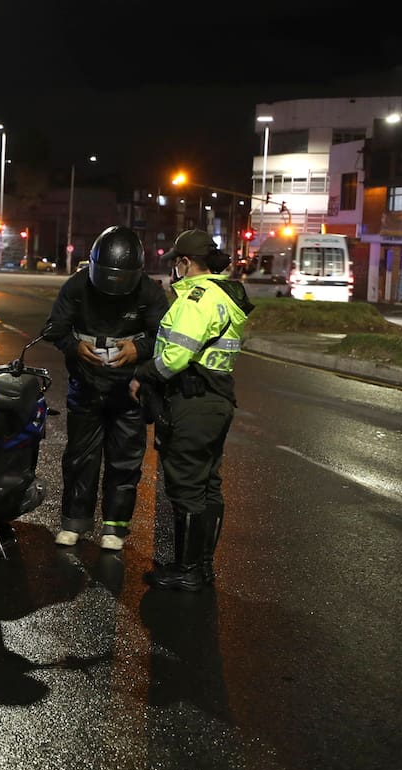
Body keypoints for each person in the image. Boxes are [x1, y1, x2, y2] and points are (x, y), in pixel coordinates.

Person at [130, 229, 254, 590]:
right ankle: (201, 566)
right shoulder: (222, 294)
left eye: (177, 263)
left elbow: (175, 357)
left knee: (186, 486)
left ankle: (187, 570)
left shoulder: (196, 299)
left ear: (185, 263)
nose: (174, 269)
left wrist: (143, 375)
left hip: (193, 402)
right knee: (208, 486)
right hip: (216, 399)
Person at [45, 225, 170, 551]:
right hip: (85, 386)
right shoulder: (77, 287)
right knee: (80, 459)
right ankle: (74, 523)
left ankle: (115, 527)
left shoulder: (149, 293)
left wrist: (138, 350)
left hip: (129, 391)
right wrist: (75, 347)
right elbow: (55, 328)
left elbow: (165, 336)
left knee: (125, 462)